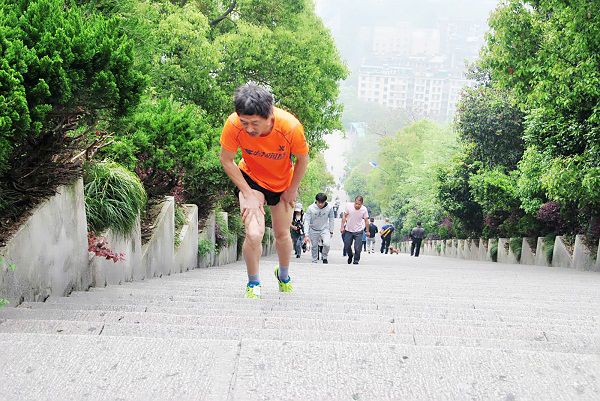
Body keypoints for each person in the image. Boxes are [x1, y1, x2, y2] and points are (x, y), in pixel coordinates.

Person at [219, 83, 309, 299]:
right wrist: (247, 193)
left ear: (269, 116)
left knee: (282, 234)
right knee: (253, 234)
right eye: (244, 122)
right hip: (251, 179)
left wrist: (292, 189)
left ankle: (283, 276)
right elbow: (227, 160)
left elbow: (302, 159)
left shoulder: (290, 127)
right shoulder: (233, 124)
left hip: (282, 184)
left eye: (255, 123)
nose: (249, 129)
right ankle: (253, 283)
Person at [304, 193, 335, 264]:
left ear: (325, 201)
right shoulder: (310, 208)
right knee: (314, 246)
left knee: (327, 244)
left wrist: (331, 231)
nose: (320, 204)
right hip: (313, 229)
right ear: (316, 201)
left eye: (322, 203)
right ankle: (314, 260)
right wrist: (306, 234)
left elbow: (331, 219)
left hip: (325, 229)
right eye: (319, 202)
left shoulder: (329, 208)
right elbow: (307, 221)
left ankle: (324, 256)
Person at [341, 196, 370, 265]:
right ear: (354, 202)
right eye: (356, 203)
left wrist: (367, 231)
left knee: (357, 247)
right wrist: (342, 227)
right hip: (348, 230)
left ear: (362, 204)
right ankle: (350, 255)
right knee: (347, 245)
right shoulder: (349, 206)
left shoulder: (364, 209)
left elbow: (366, 220)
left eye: (359, 204)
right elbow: (344, 216)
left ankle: (356, 260)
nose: (357, 205)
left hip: (359, 231)